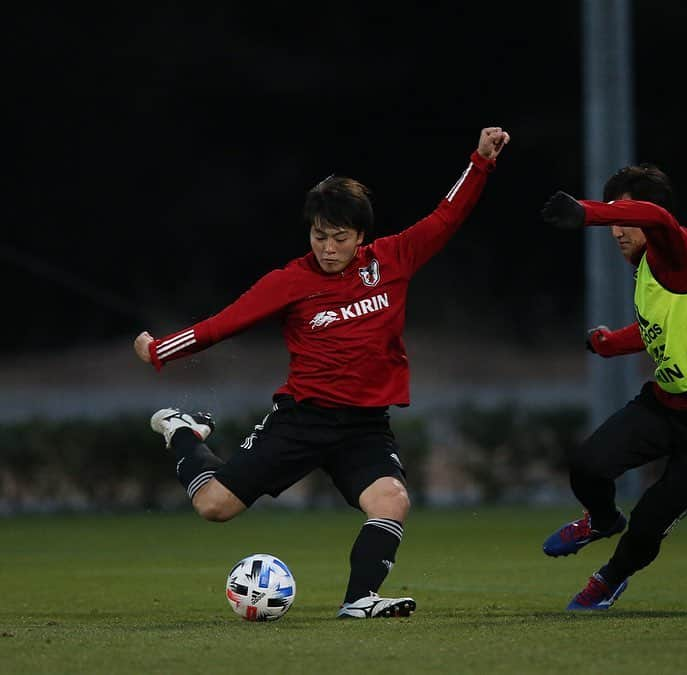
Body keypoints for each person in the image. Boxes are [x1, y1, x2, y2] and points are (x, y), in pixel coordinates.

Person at [133, 126, 510, 619]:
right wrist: (159, 350)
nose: (327, 248)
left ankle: (359, 601)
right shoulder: (291, 280)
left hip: (364, 426)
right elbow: (223, 324)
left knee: (392, 500)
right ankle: (183, 431)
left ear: (360, 236)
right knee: (214, 508)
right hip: (303, 420)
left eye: (339, 238)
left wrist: (481, 162)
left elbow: (446, 217)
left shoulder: (392, 260)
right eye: (319, 236)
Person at [539, 164, 687, 611]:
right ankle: (602, 520)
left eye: (626, 218)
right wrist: (608, 343)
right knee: (588, 465)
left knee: (651, 519)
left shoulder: (675, 250)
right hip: (668, 405)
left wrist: (587, 212)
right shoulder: (647, 269)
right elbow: (658, 329)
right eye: (612, 221)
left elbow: (658, 219)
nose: (617, 230)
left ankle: (609, 580)